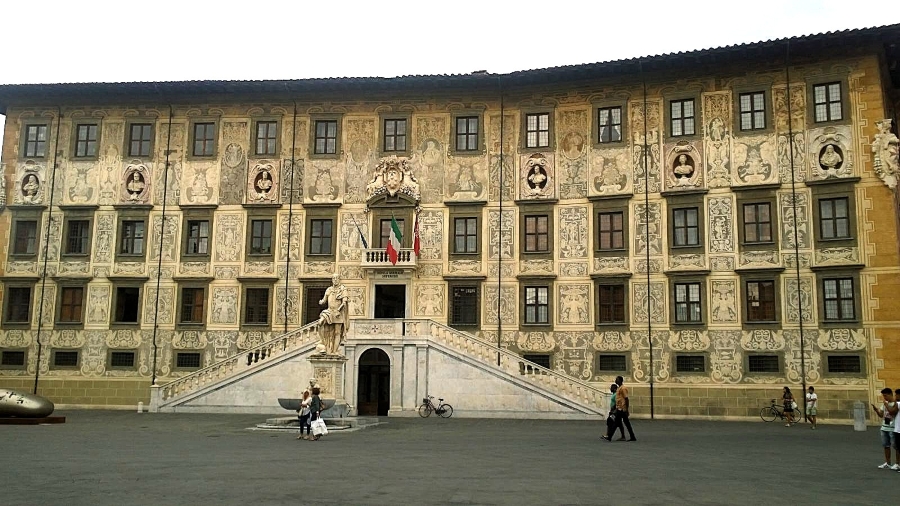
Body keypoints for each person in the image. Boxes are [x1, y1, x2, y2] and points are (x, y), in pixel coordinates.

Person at [873, 387, 899, 469]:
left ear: (891, 395)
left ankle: (897, 463)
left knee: (896, 446)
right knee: (886, 445)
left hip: (893, 428)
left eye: (886, 396)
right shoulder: (884, 404)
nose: (884, 398)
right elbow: (881, 415)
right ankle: (888, 463)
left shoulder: (895, 404)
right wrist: (876, 410)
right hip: (884, 427)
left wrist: (886, 405)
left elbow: (892, 413)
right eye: (883, 396)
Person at [609, 376, 636, 442]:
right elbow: (619, 399)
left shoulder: (623, 388)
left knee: (622, 423)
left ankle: (609, 437)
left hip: (622, 409)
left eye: (617, 379)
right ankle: (632, 436)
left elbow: (626, 399)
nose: (615, 380)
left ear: (620, 381)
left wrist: (626, 409)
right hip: (619, 408)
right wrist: (615, 406)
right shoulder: (619, 388)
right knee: (622, 423)